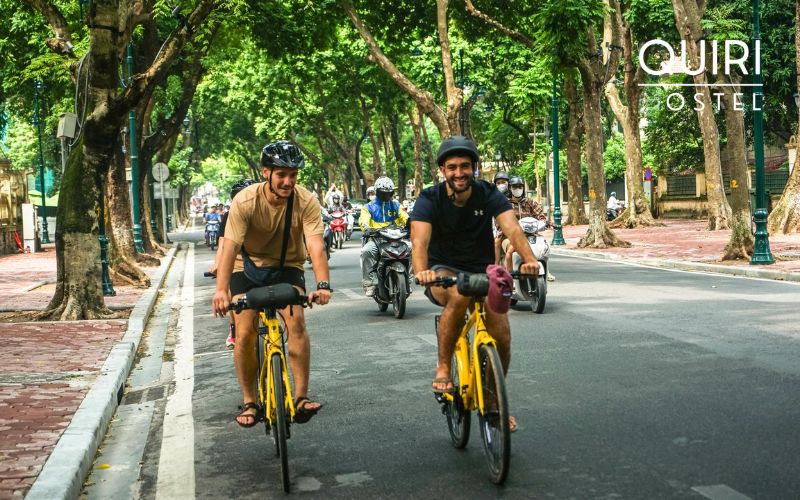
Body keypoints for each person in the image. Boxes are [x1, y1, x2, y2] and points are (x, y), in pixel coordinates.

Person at [410, 136, 540, 433]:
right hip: (443, 272)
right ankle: (444, 366)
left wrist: (529, 259)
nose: (459, 173)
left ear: (474, 168)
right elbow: (419, 240)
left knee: (502, 335)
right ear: (443, 170)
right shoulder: (429, 199)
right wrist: (422, 271)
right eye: (452, 167)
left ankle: (494, 403)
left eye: (465, 167)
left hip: (483, 272)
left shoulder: (487, 193)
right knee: (458, 295)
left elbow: (511, 227)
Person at [212, 141, 331, 428]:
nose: (288, 181)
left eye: (293, 175)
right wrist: (221, 290)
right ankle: (251, 400)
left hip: (288, 265)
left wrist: (323, 283)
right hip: (247, 266)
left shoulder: (306, 201)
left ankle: (301, 397)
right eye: (281, 175)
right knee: (244, 331)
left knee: (297, 322)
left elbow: (315, 245)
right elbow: (229, 248)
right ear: (266, 172)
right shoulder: (245, 201)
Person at [209, 178, 257, 348]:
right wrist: (218, 264)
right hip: (238, 261)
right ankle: (234, 327)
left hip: (265, 262)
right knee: (232, 293)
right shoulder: (229, 216)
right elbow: (223, 245)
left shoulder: (267, 211)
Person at [359, 176, 409, 297]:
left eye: (388, 193)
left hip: (396, 239)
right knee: (366, 251)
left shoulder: (396, 205)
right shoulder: (368, 207)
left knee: (412, 248)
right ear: (377, 192)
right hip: (376, 240)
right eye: (382, 193)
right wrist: (367, 228)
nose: (386, 196)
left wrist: (411, 224)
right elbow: (364, 221)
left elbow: (405, 217)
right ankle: (369, 283)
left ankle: (410, 279)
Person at [500, 176, 554, 281]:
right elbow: (501, 220)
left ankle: (546, 271)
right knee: (510, 252)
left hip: (531, 234)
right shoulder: (505, 204)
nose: (518, 189)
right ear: (510, 188)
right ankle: (510, 279)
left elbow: (541, 216)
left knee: (544, 247)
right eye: (515, 187)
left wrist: (546, 223)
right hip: (511, 236)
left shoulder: (530, 202)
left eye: (520, 186)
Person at [492, 172, 511, 262]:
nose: (501, 185)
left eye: (503, 182)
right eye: (498, 183)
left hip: (514, 229)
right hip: (497, 230)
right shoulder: (492, 198)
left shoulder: (513, 198)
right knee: (497, 241)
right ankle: (495, 266)